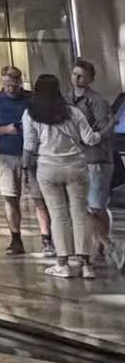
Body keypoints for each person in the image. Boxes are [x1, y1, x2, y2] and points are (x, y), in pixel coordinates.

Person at [23, 72, 101, 280]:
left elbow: (29, 146)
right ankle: (86, 266)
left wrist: (24, 168)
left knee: (58, 215)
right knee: (80, 213)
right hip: (76, 166)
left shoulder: (31, 114)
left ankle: (62, 264)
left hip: (47, 168)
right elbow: (90, 139)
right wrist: (103, 132)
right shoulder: (73, 112)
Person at [0, 65, 55, 258]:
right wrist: (5, 130)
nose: (10, 89)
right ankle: (16, 238)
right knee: (10, 196)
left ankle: (47, 239)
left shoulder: (31, 99)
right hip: (8, 155)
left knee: (39, 198)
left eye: (13, 85)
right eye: (6, 85)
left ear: (19, 82)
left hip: (34, 156)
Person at [69, 58, 115, 264]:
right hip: (77, 158)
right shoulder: (66, 99)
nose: (77, 79)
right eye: (74, 74)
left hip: (97, 158)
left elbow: (106, 129)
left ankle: (102, 247)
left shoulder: (96, 101)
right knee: (85, 206)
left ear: (90, 79)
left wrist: (89, 137)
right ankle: (99, 245)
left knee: (96, 205)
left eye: (82, 76)